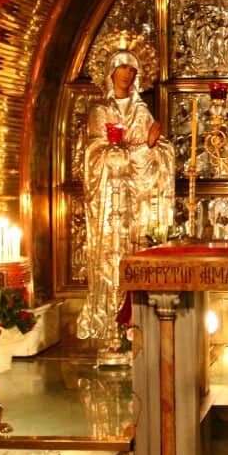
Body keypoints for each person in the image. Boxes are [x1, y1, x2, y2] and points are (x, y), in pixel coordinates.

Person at [77, 42, 175, 352]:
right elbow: (94, 156)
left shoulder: (141, 110)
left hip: (137, 204)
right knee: (110, 260)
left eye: (132, 69)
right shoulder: (100, 111)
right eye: (122, 67)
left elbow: (156, 153)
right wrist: (127, 151)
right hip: (109, 203)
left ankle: (137, 324)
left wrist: (149, 148)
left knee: (138, 251)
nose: (127, 74)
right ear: (110, 72)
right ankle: (110, 328)